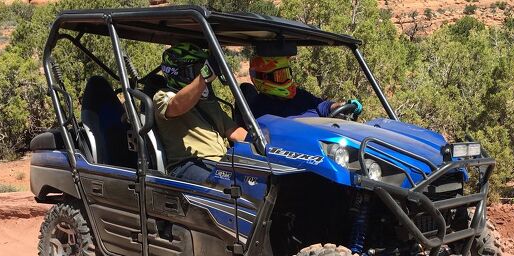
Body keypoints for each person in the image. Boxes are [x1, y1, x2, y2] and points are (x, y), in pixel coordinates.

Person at [153, 43, 247, 183]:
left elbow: (233, 131)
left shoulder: (207, 100)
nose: (200, 73)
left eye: (202, 68)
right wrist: (205, 76)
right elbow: (177, 105)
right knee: (232, 187)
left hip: (219, 163)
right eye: (197, 70)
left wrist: (263, 144)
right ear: (179, 72)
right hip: (187, 165)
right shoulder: (163, 96)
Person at [245, 54, 363, 119]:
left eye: (287, 73)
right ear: (264, 78)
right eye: (280, 76)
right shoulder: (260, 107)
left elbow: (322, 106)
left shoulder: (299, 95)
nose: (286, 79)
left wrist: (340, 106)